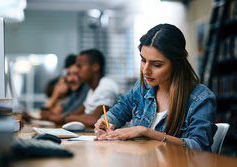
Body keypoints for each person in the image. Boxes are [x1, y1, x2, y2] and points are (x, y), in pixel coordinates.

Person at [94, 24, 217, 152]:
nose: (146, 70)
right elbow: (117, 113)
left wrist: (146, 132)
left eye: (157, 65)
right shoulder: (142, 88)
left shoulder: (201, 98)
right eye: (143, 60)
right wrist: (103, 122)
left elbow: (198, 147)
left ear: (176, 64)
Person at [48, 49, 120, 127]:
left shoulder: (106, 86)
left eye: (79, 66)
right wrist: (55, 117)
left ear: (95, 67)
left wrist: (64, 118)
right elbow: (76, 114)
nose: (77, 71)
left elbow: (96, 119)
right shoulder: (92, 90)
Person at [41, 54, 89, 119]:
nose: (70, 79)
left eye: (75, 74)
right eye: (68, 74)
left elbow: (66, 115)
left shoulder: (87, 88)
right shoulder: (75, 92)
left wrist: (55, 95)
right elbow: (62, 113)